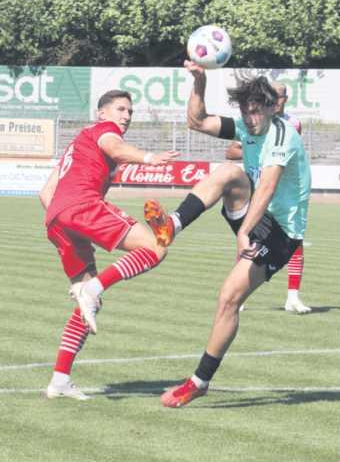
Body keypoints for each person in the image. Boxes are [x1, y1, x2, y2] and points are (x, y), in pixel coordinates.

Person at [143, 61, 311, 408]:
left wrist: (244, 231)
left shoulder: (283, 135)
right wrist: (199, 82)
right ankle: (172, 225)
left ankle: (199, 382)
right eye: (245, 111)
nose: (249, 118)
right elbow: (197, 121)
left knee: (228, 298)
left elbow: (268, 186)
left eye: (255, 110)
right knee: (227, 171)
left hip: (280, 233)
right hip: (255, 215)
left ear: (271, 107)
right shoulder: (246, 127)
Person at [39, 89, 179, 400]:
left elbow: (45, 193)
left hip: (58, 220)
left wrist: (69, 224)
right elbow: (115, 148)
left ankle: (59, 380)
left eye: (130, 111)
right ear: (102, 113)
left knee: (88, 306)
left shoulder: (78, 143)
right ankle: (93, 288)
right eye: (120, 109)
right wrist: (149, 158)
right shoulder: (105, 130)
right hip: (82, 206)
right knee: (156, 248)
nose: (126, 116)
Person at [225, 81, 310, 314]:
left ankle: (293, 296)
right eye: (274, 96)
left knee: (295, 241)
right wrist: (256, 149)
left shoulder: (293, 124)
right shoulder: (250, 122)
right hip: (262, 190)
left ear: (284, 99)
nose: (277, 100)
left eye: (281, 96)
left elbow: (288, 154)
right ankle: (239, 295)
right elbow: (231, 151)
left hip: (284, 193)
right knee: (249, 240)